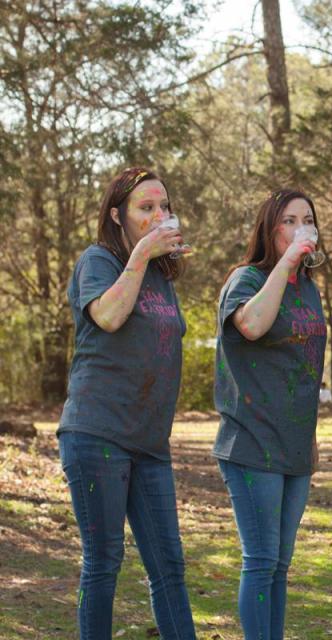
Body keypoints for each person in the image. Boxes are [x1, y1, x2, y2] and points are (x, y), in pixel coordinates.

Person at [57, 167, 196, 639]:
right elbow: (110, 317)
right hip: (97, 432)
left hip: (150, 442)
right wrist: (141, 254)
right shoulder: (99, 260)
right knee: (104, 561)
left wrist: (149, 258)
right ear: (118, 216)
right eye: (146, 207)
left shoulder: (161, 276)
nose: (159, 216)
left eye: (164, 207)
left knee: (169, 566)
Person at [213, 188, 327, 639]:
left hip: (295, 444)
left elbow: (307, 366)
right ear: (270, 228)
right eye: (289, 220)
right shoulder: (246, 279)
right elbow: (253, 324)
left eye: (308, 219)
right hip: (251, 440)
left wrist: (312, 438)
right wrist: (287, 262)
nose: (301, 227)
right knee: (260, 561)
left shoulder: (310, 290)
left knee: (280, 564)